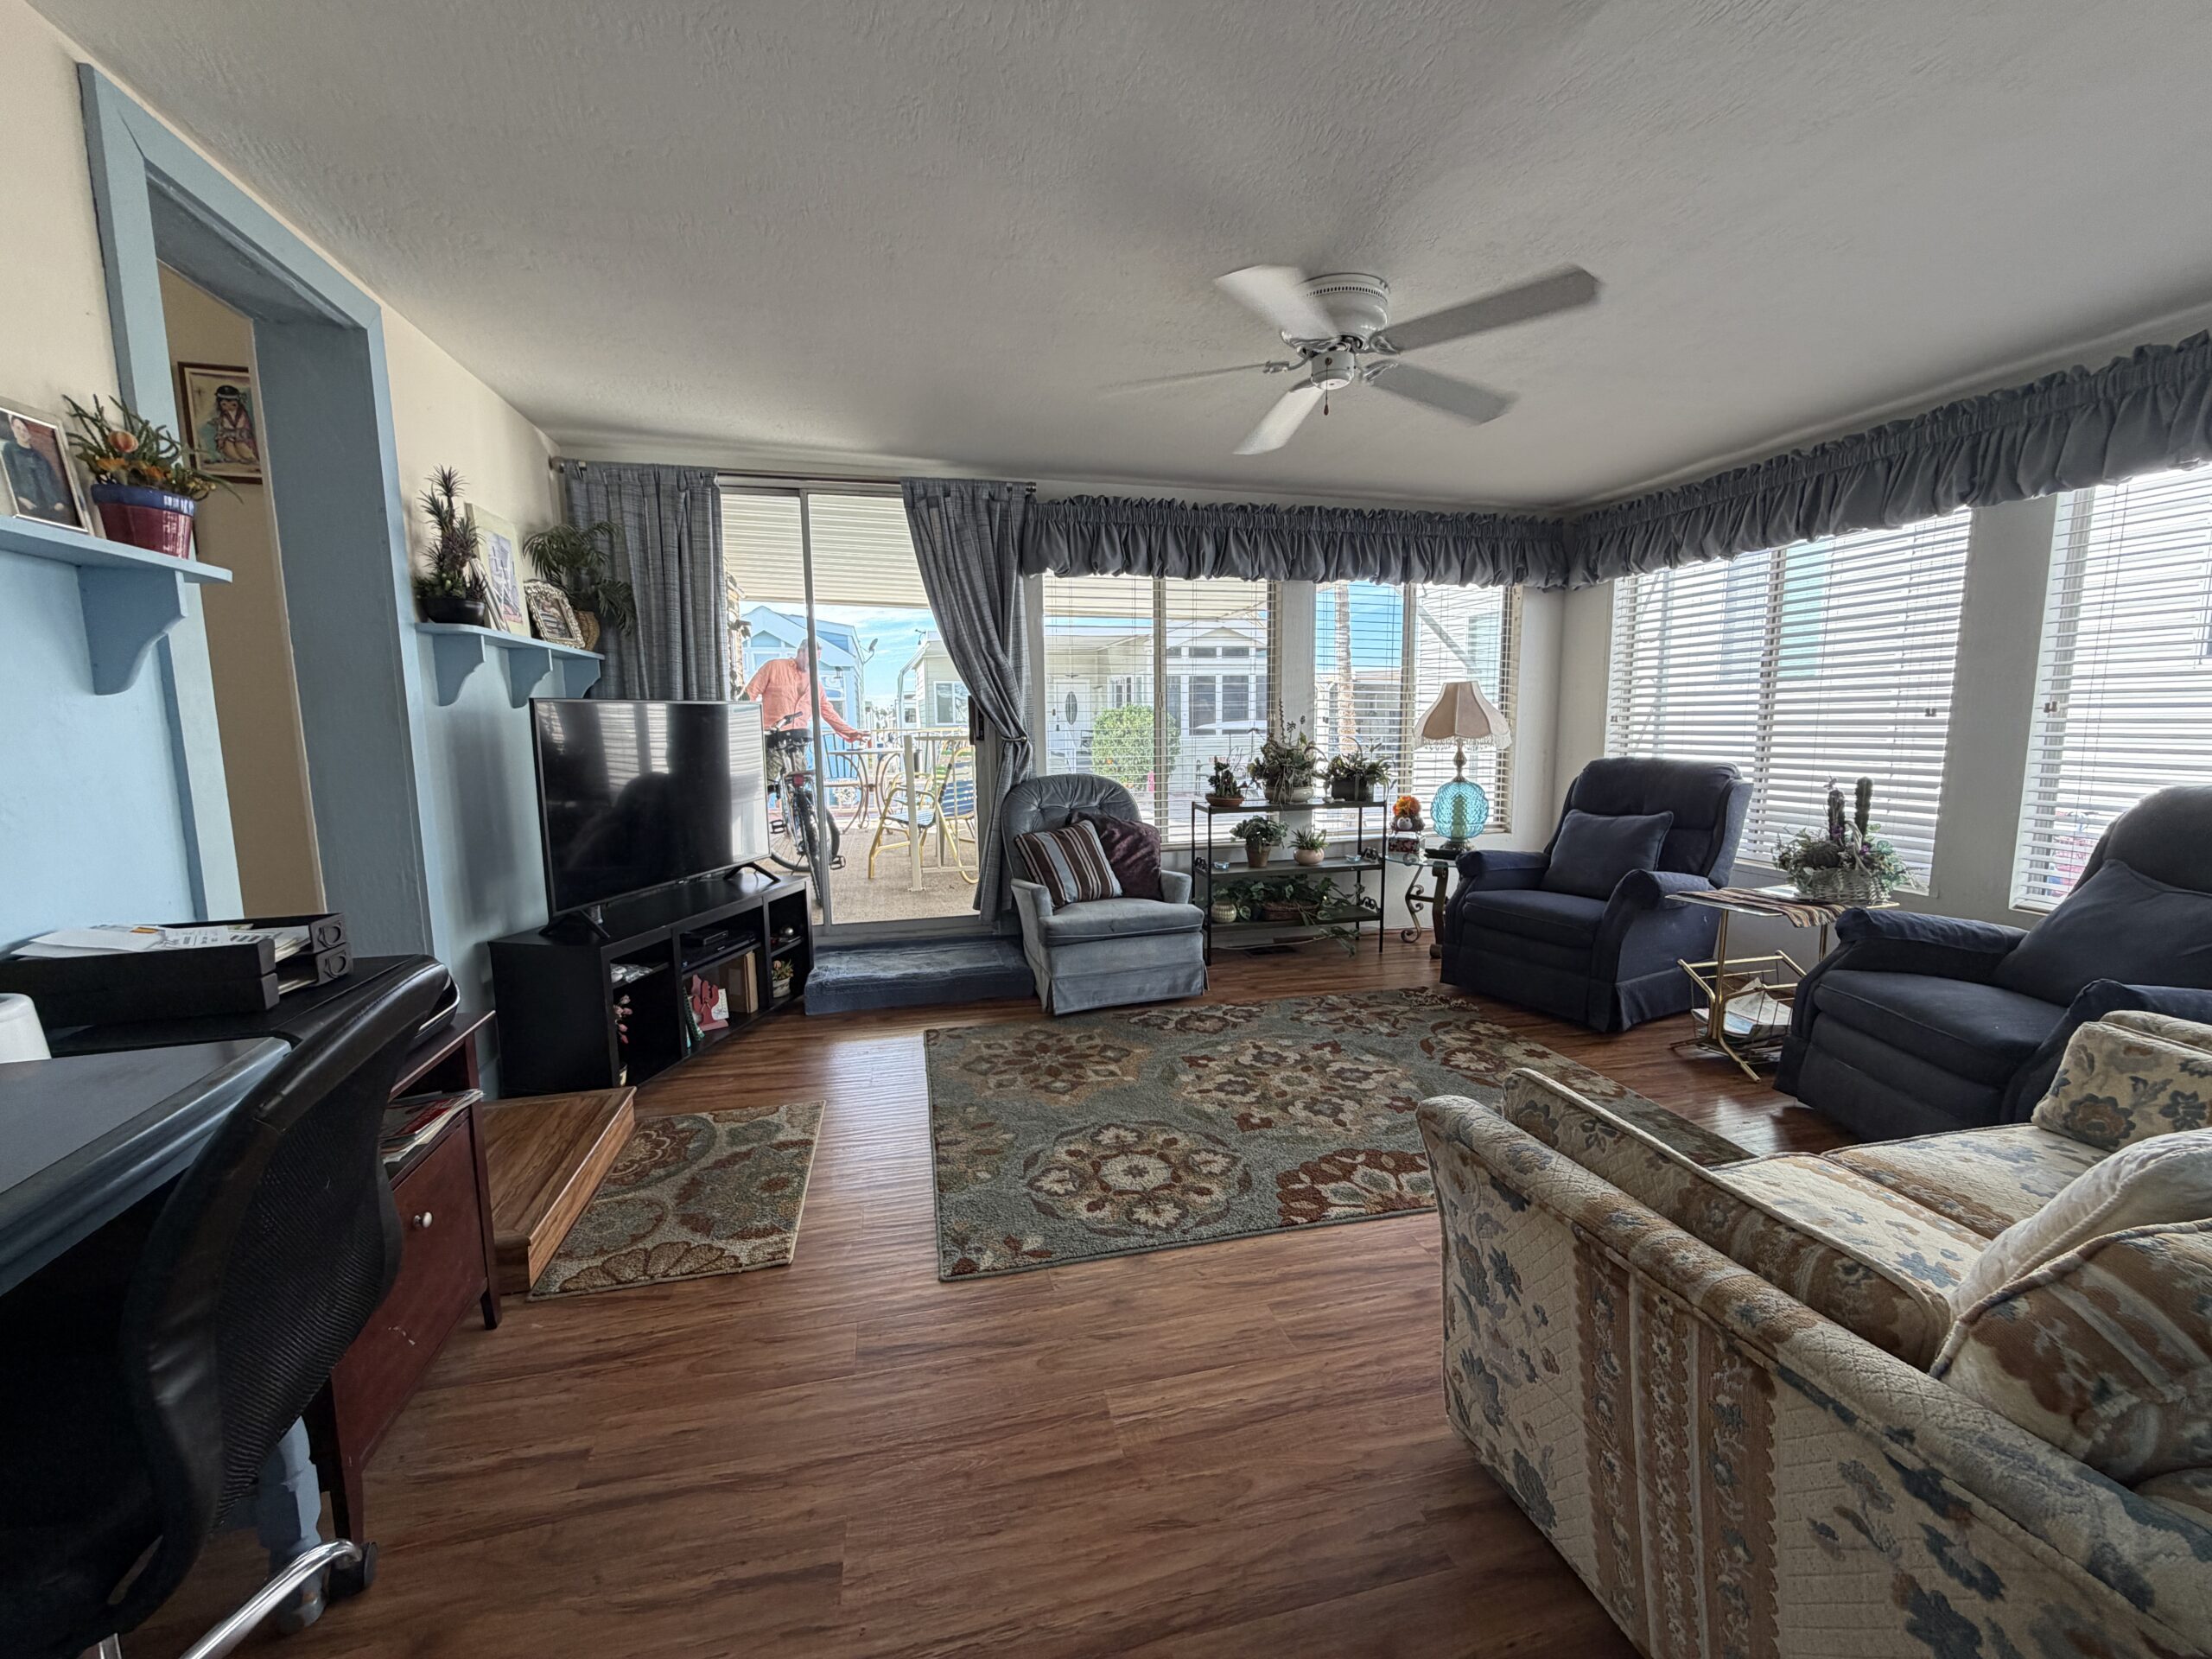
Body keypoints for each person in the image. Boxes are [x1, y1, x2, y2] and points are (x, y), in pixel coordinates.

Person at [742, 642, 862, 741]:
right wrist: (747, 729)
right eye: (810, 657)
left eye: (816, 659)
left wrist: (850, 732)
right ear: (800, 652)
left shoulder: (815, 684)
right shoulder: (774, 667)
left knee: (800, 765)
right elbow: (749, 695)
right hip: (772, 738)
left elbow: (827, 710)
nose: (813, 662)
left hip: (799, 740)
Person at [3, 415, 78, 525]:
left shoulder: (40, 457)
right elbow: (9, 474)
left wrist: (60, 502)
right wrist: (20, 498)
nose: (22, 432)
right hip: (28, 507)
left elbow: (54, 479)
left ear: (29, 433)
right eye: (18, 428)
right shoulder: (9, 450)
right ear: (12, 429)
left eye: (24, 430)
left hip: (52, 508)